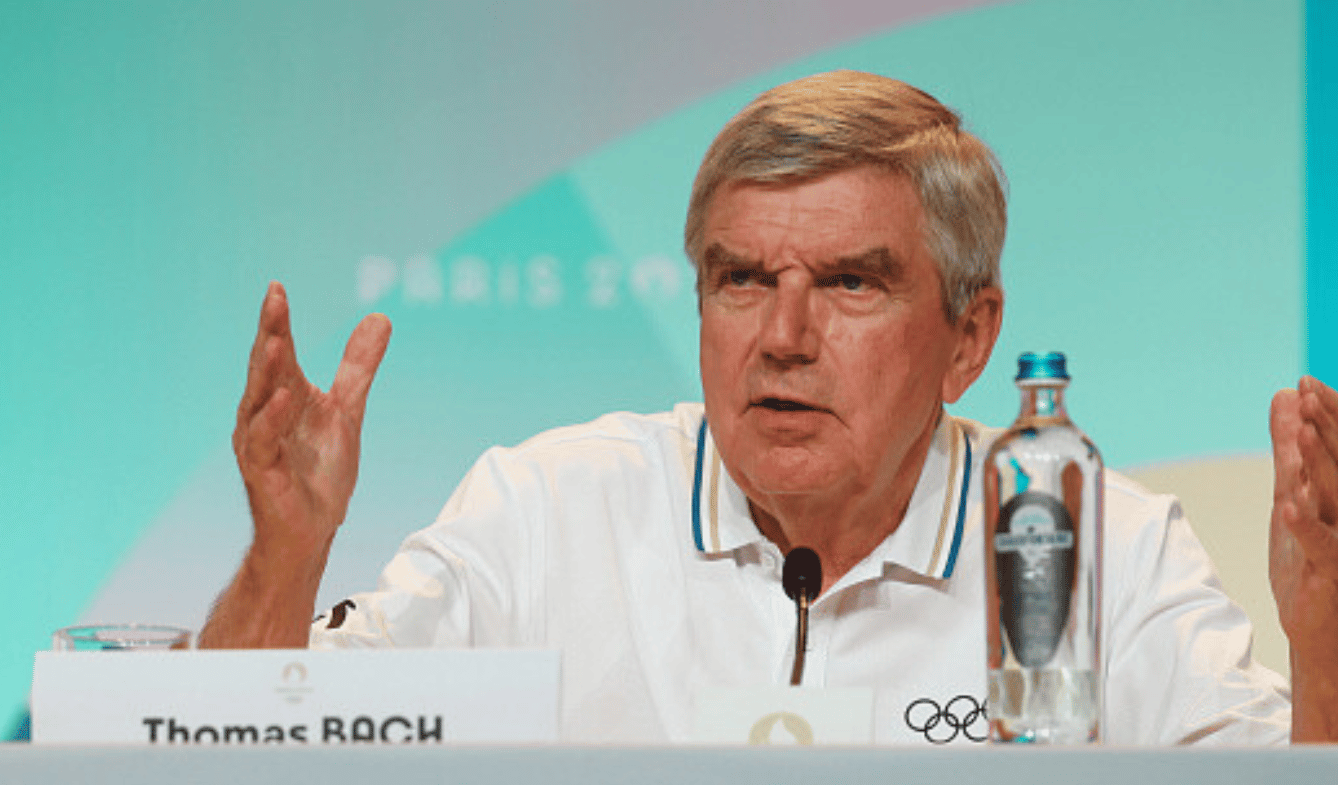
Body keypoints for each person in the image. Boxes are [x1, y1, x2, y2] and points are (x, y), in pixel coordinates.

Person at [199, 71, 1338, 744]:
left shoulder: (1094, 544)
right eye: (741, 279)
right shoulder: (547, 506)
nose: (781, 337)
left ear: (969, 337)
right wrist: (284, 554)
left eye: (850, 282)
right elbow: (235, 752)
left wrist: (1324, 647)